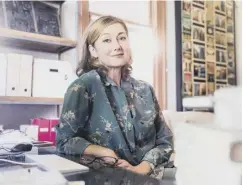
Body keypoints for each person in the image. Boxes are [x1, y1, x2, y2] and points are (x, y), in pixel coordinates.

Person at [55, 15, 174, 178]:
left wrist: (143, 167)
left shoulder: (145, 89)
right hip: (107, 177)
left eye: (122, 38)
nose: (117, 46)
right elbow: (64, 141)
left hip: (151, 176)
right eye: (107, 40)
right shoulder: (83, 87)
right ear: (93, 51)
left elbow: (165, 141)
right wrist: (104, 152)